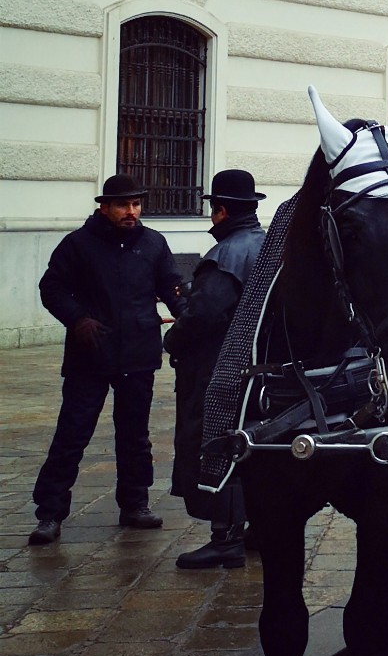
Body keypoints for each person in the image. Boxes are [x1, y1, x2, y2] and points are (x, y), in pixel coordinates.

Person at [31, 173, 183, 545]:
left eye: (135, 205)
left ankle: (135, 504)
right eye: (122, 205)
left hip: (139, 353)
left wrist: (189, 314)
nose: (131, 212)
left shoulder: (153, 243)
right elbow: (51, 288)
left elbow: (172, 286)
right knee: (72, 434)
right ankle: (50, 513)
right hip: (91, 355)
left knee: (135, 436)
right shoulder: (78, 245)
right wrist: (77, 318)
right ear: (105, 207)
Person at [165, 170, 266, 568]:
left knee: (219, 446)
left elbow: (203, 316)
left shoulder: (226, 256)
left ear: (220, 211)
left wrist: (171, 341)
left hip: (219, 369)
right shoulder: (268, 246)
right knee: (254, 449)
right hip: (258, 368)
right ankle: (257, 527)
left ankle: (224, 538)